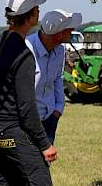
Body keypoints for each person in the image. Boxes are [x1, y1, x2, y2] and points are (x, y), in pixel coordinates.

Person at [0, 0, 57, 186]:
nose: (39, 11)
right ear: (31, 15)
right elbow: (27, 107)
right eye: (37, 9)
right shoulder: (23, 54)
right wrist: (44, 144)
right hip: (12, 133)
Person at [26, 9, 82, 144]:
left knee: (44, 164)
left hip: (50, 118)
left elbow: (58, 78)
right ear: (58, 35)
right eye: (70, 28)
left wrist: (58, 109)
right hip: (27, 123)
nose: (73, 29)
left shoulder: (60, 49)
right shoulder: (26, 48)